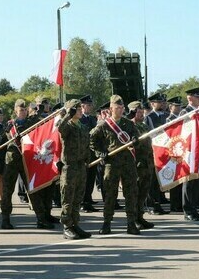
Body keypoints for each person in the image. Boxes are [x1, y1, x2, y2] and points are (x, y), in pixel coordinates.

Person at [0, 99, 54, 229]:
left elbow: (41, 120)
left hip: (26, 160)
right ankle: (5, 219)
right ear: (15, 111)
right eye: (20, 110)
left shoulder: (31, 122)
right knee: (7, 191)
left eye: (24, 110)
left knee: (33, 189)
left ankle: (41, 219)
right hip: (11, 161)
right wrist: (2, 132)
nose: (23, 112)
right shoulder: (9, 125)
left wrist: (39, 109)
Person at [90, 95, 141, 235]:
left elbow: (137, 138)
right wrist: (99, 152)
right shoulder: (104, 125)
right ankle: (106, 223)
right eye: (117, 108)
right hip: (111, 164)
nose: (119, 110)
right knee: (110, 194)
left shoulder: (128, 124)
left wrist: (136, 140)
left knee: (131, 193)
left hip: (128, 163)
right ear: (111, 108)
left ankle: (131, 223)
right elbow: (92, 141)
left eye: (121, 108)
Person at [57, 99, 92, 239]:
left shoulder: (82, 127)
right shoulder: (68, 126)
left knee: (78, 197)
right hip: (69, 166)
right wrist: (67, 115)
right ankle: (66, 225)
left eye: (79, 108)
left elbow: (86, 145)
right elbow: (60, 128)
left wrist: (87, 158)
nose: (80, 111)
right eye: (76, 109)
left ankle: (75, 223)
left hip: (81, 166)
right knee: (68, 197)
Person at [179, 88, 199, 221]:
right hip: (189, 151)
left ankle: (194, 209)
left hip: (198, 151)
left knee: (197, 181)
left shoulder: (198, 112)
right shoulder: (185, 112)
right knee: (189, 182)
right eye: (198, 97)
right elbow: (182, 132)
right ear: (190, 98)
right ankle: (188, 211)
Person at [127, 101, 155, 229]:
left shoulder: (144, 127)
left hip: (146, 164)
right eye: (138, 111)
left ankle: (140, 216)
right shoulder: (128, 126)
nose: (141, 113)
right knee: (135, 193)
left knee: (143, 192)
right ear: (132, 112)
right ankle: (133, 219)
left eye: (142, 111)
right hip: (135, 165)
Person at [144, 92, 170, 213]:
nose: (161, 104)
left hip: (165, 151)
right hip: (154, 151)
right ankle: (152, 205)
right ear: (152, 104)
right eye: (158, 102)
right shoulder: (149, 117)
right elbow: (147, 136)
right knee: (152, 181)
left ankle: (159, 201)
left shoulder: (166, 116)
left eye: (162, 102)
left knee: (161, 178)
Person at [79, 95, 100, 213]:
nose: (90, 107)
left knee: (91, 178)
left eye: (91, 105)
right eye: (88, 105)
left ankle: (88, 199)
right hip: (83, 154)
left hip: (93, 154)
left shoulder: (93, 119)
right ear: (82, 106)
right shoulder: (79, 119)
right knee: (84, 179)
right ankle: (82, 202)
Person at [166, 97, 183, 212]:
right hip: (172, 152)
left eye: (179, 106)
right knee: (174, 180)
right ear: (171, 107)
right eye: (176, 106)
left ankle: (179, 203)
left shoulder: (181, 118)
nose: (178, 108)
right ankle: (174, 204)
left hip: (180, 150)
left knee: (180, 178)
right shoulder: (169, 119)